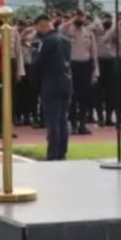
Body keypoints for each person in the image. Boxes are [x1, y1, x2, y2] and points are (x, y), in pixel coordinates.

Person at [32, 14, 72, 160]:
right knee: (63, 119)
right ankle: (62, 151)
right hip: (66, 83)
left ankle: (53, 153)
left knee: (53, 120)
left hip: (50, 84)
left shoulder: (45, 41)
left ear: (42, 25)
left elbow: (37, 63)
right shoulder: (65, 40)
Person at [60, 11, 98, 135]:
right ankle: (73, 124)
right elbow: (60, 29)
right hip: (72, 65)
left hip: (85, 66)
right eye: (77, 16)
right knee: (72, 97)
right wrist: (72, 20)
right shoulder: (68, 30)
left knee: (84, 97)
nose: (80, 18)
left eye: (82, 16)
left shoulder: (89, 32)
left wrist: (95, 70)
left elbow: (94, 53)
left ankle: (82, 124)